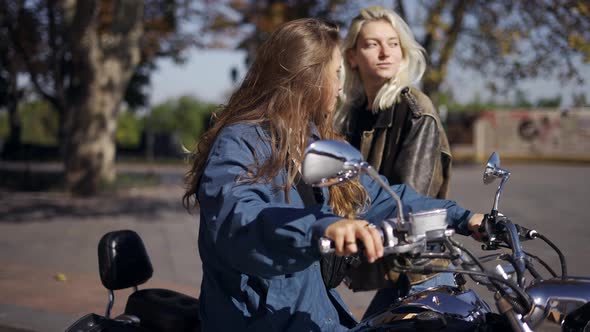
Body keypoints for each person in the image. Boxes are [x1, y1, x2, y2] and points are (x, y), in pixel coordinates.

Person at [183, 18, 483, 331]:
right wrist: (321, 228)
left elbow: (381, 196)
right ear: (309, 78)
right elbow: (240, 220)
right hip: (262, 321)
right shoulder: (240, 142)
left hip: (316, 313)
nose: (340, 86)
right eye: (336, 74)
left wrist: (464, 218)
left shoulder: (313, 140)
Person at [334, 5, 457, 319]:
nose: (385, 52)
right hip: (392, 261)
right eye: (372, 44)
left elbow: (407, 202)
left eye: (393, 43)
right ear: (351, 56)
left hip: (419, 267)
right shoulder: (351, 113)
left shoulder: (415, 110)